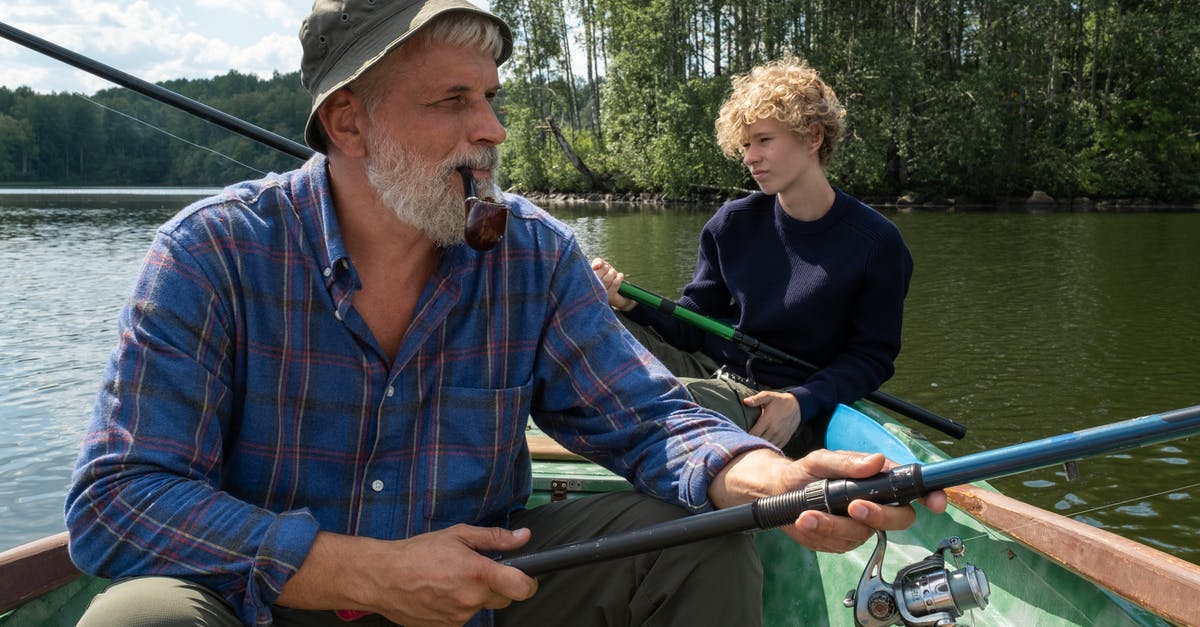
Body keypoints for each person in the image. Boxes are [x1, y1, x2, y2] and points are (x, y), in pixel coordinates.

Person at [65, 4, 941, 626]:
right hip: (268, 603)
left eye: (491, 98)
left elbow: (648, 418)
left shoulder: (531, 251)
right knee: (136, 616)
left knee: (696, 537)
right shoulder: (210, 253)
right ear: (348, 122)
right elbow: (118, 500)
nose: (491, 129)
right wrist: (366, 570)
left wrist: (768, 476)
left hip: (486, 596)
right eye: (452, 102)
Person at [593, 56, 914, 456]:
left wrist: (802, 401)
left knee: (649, 393)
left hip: (777, 405)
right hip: (708, 372)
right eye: (745, 145)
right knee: (590, 319)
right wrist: (626, 303)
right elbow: (691, 325)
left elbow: (871, 359)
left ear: (813, 137)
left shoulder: (877, 243)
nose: (750, 158)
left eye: (764, 140)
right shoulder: (731, 224)